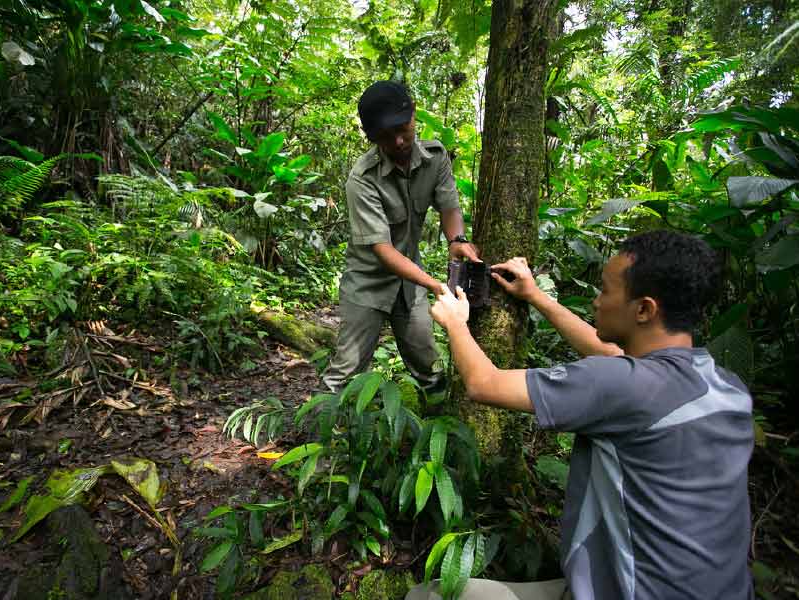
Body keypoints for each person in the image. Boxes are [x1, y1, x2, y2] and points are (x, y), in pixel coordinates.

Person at [410, 230, 754, 600]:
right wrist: (536, 296)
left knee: (427, 596)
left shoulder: (622, 387)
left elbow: (484, 382)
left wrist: (455, 322)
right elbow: (614, 359)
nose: (595, 301)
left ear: (644, 309)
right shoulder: (727, 390)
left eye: (605, 291)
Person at [322, 80, 480, 393]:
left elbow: (449, 207)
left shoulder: (436, 158)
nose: (398, 141)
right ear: (371, 137)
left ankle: (434, 426)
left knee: (429, 365)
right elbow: (382, 249)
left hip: (410, 283)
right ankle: (325, 433)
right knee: (345, 372)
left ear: (414, 116)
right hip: (367, 284)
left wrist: (457, 240)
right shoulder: (362, 179)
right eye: (385, 136)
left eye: (402, 129)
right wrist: (434, 285)